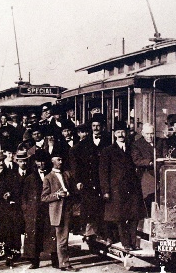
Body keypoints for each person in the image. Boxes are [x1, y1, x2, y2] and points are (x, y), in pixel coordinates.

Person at [99, 121, 146, 251]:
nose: (120, 134)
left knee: (134, 216)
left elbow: (138, 162)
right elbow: (103, 173)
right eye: (118, 132)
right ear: (114, 134)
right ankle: (125, 243)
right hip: (117, 190)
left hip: (132, 188)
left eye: (122, 132)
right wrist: (106, 191)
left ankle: (133, 242)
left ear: (126, 133)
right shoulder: (107, 151)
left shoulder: (132, 148)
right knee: (121, 218)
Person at [69, 113, 111, 242]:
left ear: (102, 127)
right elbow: (76, 163)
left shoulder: (108, 141)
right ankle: (90, 233)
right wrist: (78, 180)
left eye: (98, 126)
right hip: (89, 180)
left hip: (104, 179)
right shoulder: (83, 144)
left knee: (105, 207)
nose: (96, 128)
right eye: (94, 126)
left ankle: (104, 234)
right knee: (91, 207)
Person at [41, 153, 78, 272]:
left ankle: (64, 263)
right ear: (52, 161)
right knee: (62, 239)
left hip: (67, 209)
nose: (60, 162)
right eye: (58, 160)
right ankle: (64, 264)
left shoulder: (66, 174)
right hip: (57, 212)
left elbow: (72, 190)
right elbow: (44, 197)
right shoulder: (48, 177)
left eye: (61, 159)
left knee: (64, 239)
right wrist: (57, 195)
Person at [22, 150, 59, 269]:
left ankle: (55, 260)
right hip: (35, 211)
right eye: (39, 161)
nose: (41, 164)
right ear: (35, 162)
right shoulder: (30, 178)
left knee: (52, 234)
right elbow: (24, 196)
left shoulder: (52, 176)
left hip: (49, 209)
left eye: (43, 161)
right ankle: (34, 261)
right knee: (34, 235)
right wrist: (26, 209)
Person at [131, 123, 155, 216]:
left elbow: (164, 155)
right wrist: (149, 162)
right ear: (143, 133)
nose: (150, 136)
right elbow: (137, 160)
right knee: (148, 197)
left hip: (160, 173)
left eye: (152, 134)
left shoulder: (160, 142)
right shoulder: (137, 144)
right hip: (146, 174)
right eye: (147, 134)